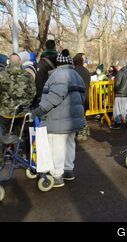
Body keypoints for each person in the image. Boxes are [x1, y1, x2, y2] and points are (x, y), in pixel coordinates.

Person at [31, 51, 86, 187]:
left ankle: (57, 175)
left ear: (58, 63)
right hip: (72, 118)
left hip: (58, 118)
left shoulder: (59, 75)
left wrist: (39, 110)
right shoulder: (76, 75)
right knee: (69, 145)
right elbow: (82, 97)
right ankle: (68, 170)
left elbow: (55, 97)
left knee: (57, 147)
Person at [0, 53, 36, 156]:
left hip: (6, 112)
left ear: (9, 62)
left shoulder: (1, 75)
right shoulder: (27, 75)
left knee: (6, 135)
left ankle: (7, 155)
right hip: (22, 113)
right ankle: (24, 155)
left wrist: (1, 107)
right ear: (20, 62)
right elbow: (33, 92)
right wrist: (26, 104)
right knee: (23, 135)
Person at [73, 53, 91, 141]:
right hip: (85, 98)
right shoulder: (86, 71)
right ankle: (84, 131)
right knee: (82, 115)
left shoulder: (74, 71)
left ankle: (80, 132)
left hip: (76, 98)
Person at [111, 59, 127, 129]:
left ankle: (117, 124)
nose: (116, 68)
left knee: (117, 110)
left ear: (120, 66)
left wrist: (114, 90)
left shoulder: (120, 73)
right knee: (125, 109)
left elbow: (117, 84)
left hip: (120, 93)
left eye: (117, 66)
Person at [35, 40, 58, 104]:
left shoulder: (42, 62)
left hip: (45, 93)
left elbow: (39, 79)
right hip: (58, 92)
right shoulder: (60, 60)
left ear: (46, 47)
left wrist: (39, 95)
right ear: (54, 47)